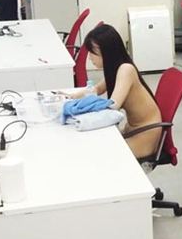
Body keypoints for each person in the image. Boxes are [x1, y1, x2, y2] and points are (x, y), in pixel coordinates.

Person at [70, 24, 163, 159]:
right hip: (133, 129)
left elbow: (113, 105)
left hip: (145, 134)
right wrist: (70, 97)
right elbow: (96, 89)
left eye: (92, 53)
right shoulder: (115, 68)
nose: (90, 58)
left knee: (100, 157)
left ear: (106, 51)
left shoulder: (125, 70)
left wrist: (84, 108)